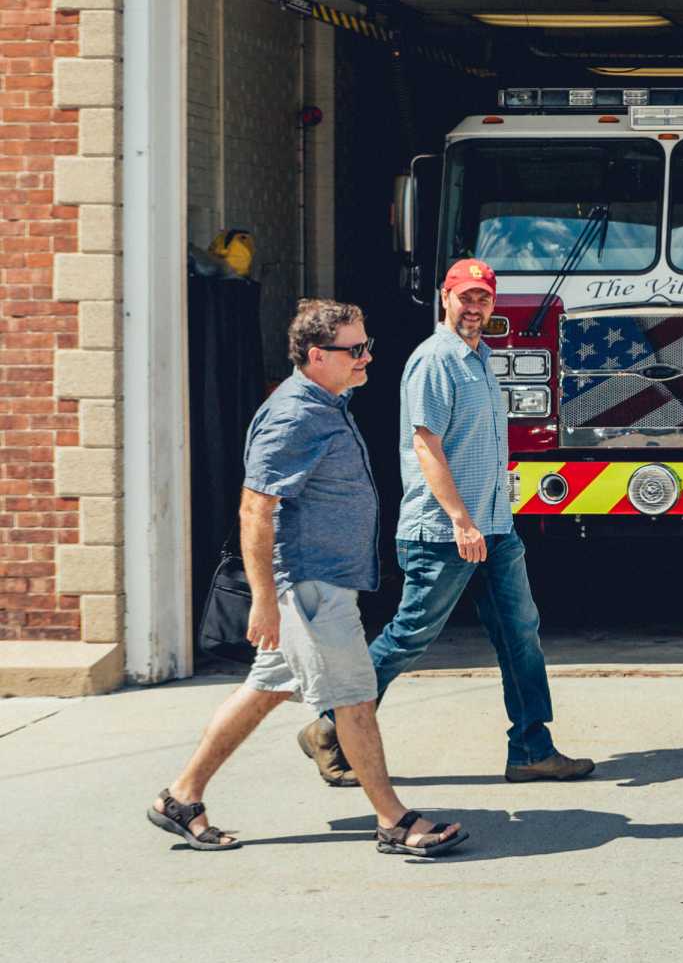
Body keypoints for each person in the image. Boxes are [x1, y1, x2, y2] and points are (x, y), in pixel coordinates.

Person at [150, 299, 468, 857]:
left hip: (318, 584)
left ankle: (180, 796)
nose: (368, 356)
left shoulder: (328, 401)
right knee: (354, 699)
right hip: (309, 588)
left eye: (367, 345)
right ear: (318, 356)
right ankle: (394, 821)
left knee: (264, 689)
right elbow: (256, 508)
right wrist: (266, 601)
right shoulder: (295, 414)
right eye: (356, 349)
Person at [299, 260, 594, 785]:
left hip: (495, 527)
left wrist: (487, 517)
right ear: (445, 297)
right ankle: (329, 725)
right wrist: (461, 521)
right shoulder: (434, 360)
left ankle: (531, 749)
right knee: (410, 635)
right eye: (466, 297)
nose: (475, 307)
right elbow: (425, 444)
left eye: (484, 298)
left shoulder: (481, 359)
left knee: (521, 633)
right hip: (445, 532)